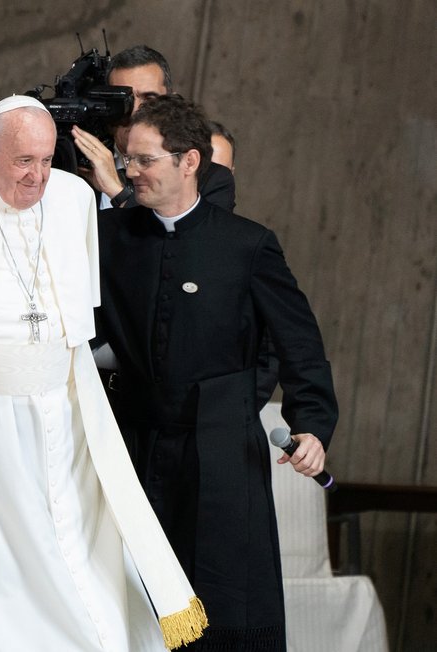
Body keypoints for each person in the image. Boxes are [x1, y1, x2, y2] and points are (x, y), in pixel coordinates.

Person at [0, 96, 207, 651]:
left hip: (60, 418)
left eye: (46, 160)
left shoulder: (74, 197)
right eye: (22, 161)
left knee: (72, 555)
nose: (37, 177)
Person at [93, 94, 338, 650]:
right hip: (136, 447)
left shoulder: (247, 245)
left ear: (188, 161)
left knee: (228, 606)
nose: (130, 172)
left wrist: (313, 425)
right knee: (135, 604)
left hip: (224, 453)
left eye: (144, 160)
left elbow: (300, 344)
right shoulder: (111, 239)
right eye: (127, 159)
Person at [71, 44, 236, 211]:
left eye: (149, 98)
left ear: (171, 103)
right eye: (123, 100)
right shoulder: (77, 166)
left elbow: (195, 236)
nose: (135, 111)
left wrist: (117, 191)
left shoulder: (211, 179)